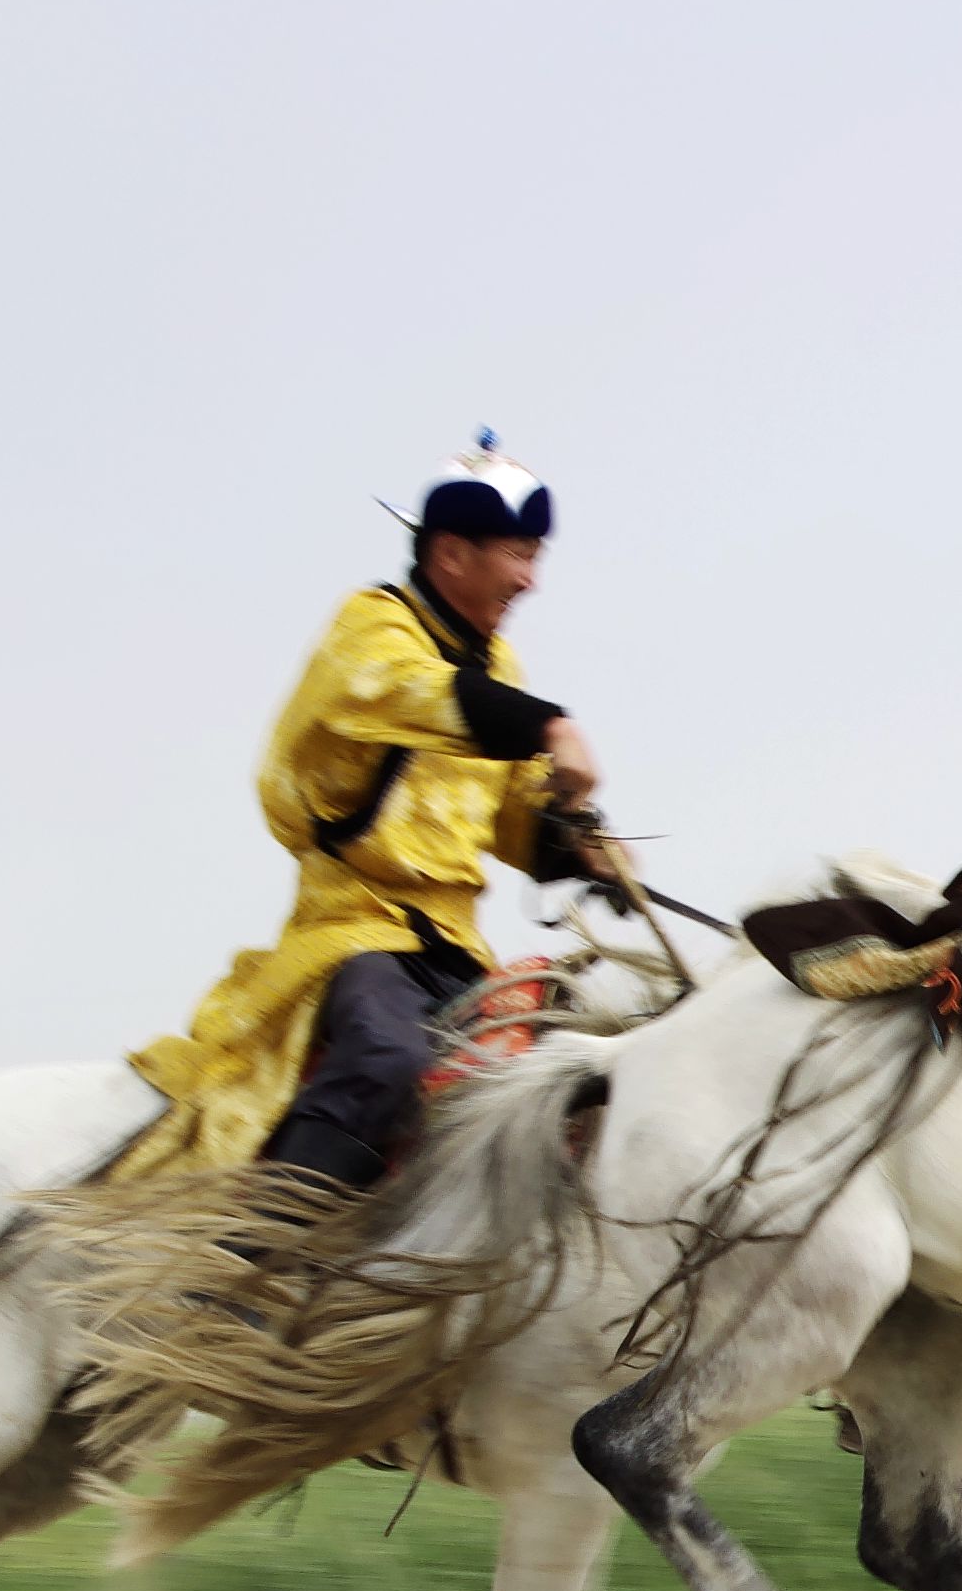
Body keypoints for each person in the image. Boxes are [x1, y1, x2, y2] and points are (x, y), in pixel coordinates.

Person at [127, 436, 621, 1187]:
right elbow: (412, 693)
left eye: (535, 558)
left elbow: (510, 816)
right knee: (388, 1059)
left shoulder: (498, 670)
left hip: (457, 955)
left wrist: (575, 842)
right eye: (517, 555)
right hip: (356, 935)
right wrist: (550, 727)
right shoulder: (370, 629)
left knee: (567, 1070)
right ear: (451, 555)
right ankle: (250, 1258)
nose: (529, 581)